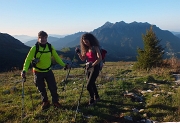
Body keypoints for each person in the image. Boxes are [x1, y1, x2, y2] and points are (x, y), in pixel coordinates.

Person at [21, 31, 69, 110]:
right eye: (41, 37)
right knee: (41, 88)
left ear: (47, 38)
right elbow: (28, 60)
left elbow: (56, 57)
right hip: (37, 71)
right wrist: (24, 70)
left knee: (53, 87)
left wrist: (64, 65)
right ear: (38, 38)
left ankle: (55, 101)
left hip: (48, 71)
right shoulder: (34, 48)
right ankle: (45, 101)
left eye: (44, 38)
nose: (43, 39)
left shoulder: (50, 47)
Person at [75, 33, 102, 106]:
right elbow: (83, 59)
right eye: (84, 42)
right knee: (92, 83)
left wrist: (92, 64)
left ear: (91, 40)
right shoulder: (86, 49)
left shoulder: (95, 47)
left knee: (88, 85)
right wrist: (78, 53)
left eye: (87, 41)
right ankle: (97, 97)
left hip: (95, 67)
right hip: (88, 67)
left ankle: (92, 100)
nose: (86, 43)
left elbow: (99, 58)